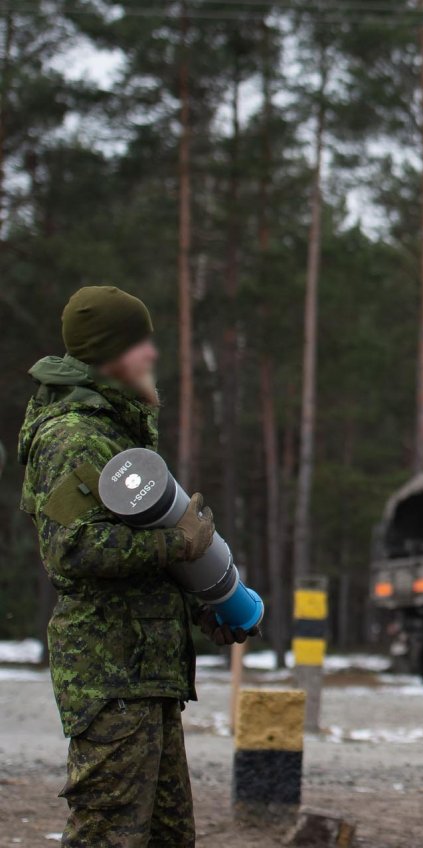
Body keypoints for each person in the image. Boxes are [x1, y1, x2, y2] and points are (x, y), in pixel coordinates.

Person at [18, 285, 253, 847]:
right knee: (109, 834)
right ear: (108, 353)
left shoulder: (114, 429)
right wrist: (179, 546)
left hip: (145, 673)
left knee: (166, 838)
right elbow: (73, 551)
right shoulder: (73, 438)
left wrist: (204, 600)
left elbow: (132, 552)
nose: (152, 353)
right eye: (138, 342)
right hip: (110, 674)